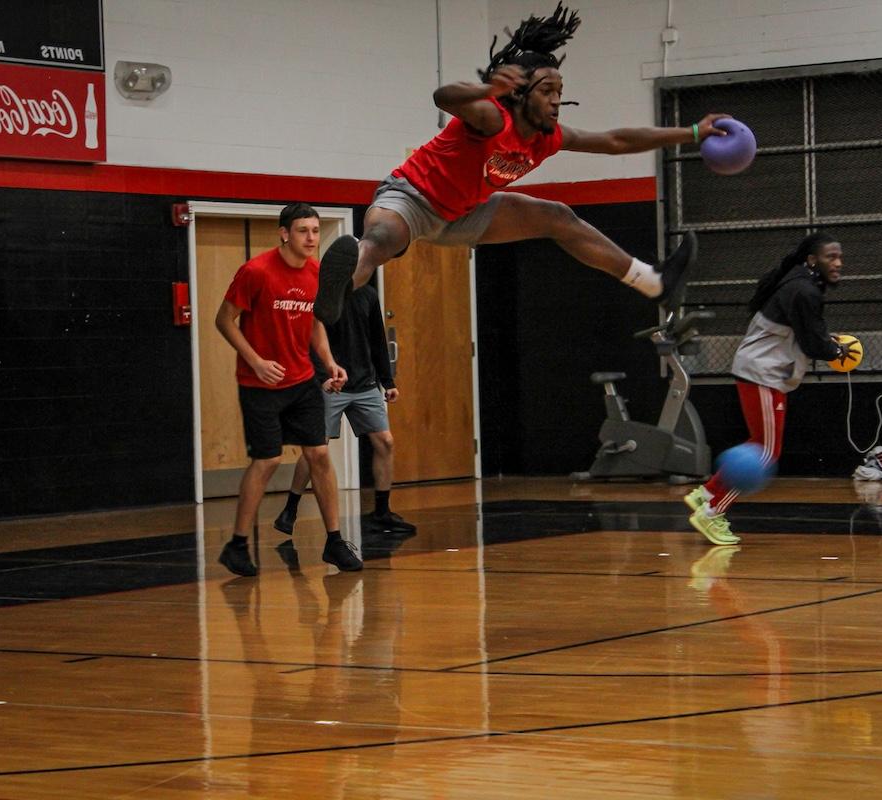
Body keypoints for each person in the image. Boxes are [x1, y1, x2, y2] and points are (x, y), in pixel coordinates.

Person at [313, 2, 728, 325]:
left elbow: (617, 140)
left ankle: (653, 283)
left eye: (559, 91)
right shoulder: (493, 117)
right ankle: (337, 291)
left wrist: (691, 132)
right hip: (413, 198)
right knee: (380, 239)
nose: (555, 99)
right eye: (547, 90)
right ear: (521, 93)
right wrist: (487, 87)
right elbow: (443, 97)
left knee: (558, 216)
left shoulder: (549, 138)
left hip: (466, 213)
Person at [214, 203, 362, 576]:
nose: (311, 238)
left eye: (315, 230)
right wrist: (255, 361)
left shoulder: (316, 273)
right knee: (265, 462)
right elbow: (224, 319)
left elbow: (314, 324)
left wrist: (329, 361)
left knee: (320, 456)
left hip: (302, 382)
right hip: (260, 384)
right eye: (303, 231)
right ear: (284, 234)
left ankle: (334, 541)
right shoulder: (256, 271)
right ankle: (236, 544)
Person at [685, 232, 853, 545]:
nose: (839, 263)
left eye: (840, 256)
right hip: (762, 373)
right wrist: (836, 351)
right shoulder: (804, 290)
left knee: (759, 444)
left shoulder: (800, 282)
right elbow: (813, 342)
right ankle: (711, 512)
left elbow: (807, 335)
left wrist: (828, 344)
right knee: (766, 452)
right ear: (812, 259)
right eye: (832, 256)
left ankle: (706, 493)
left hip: (761, 372)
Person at [274, 283, 417, 538]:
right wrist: (321, 379)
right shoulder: (321, 294)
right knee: (315, 449)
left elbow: (377, 339)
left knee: (385, 442)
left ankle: (382, 512)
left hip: (365, 383)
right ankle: (290, 509)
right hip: (331, 384)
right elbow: (310, 340)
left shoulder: (368, 295)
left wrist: (388, 381)